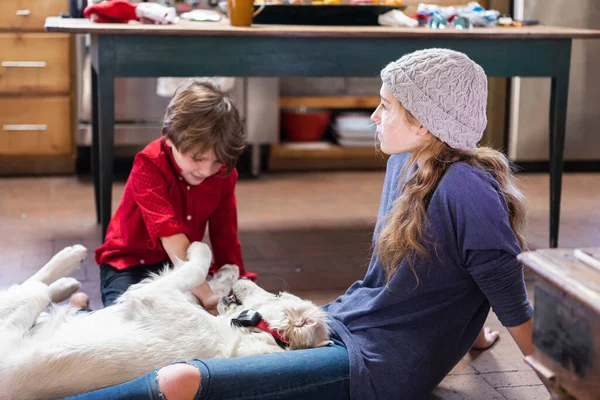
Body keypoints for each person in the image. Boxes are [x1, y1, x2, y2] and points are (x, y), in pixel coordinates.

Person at [66, 49, 534, 400]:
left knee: (182, 379)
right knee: (178, 346)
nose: (373, 115)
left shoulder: (468, 190)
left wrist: (555, 373)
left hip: (376, 365)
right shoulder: (409, 162)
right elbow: (449, 270)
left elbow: (503, 287)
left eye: (386, 106)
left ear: (427, 124)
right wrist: (471, 332)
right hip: (346, 321)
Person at [84, 78, 257, 313]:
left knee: (184, 322)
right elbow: (172, 236)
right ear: (169, 137)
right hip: (128, 264)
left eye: (217, 161)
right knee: (127, 322)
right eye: (197, 158)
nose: (206, 171)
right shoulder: (149, 164)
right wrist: (206, 295)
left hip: (177, 265)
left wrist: (240, 286)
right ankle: (79, 311)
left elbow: (225, 236)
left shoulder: (224, 174)